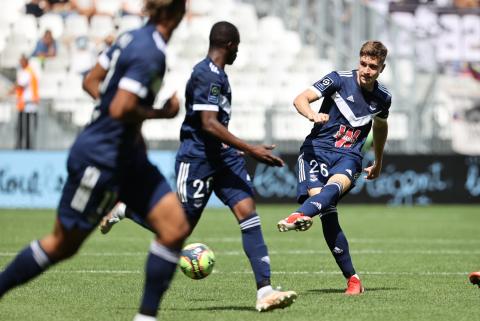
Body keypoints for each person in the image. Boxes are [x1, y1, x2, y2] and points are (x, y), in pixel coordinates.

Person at [0, 2, 189, 321]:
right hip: (100, 159)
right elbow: (119, 108)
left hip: (128, 156)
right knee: (62, 244)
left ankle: (146, 317)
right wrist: (161, 113)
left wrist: (119, 118)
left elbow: (91, 81)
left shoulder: (130, 38)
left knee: (175, 227)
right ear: (179, 14)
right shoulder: (149, 52)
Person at [100, 21, 298, 312]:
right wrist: (251, 148)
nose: (238, 54)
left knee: (248, 214)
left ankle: (264, 291)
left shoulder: (219, 75)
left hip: (224, 158)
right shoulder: (205, 75)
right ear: (229, 45)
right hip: (197, 161)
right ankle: (124, 208)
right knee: (178, 228)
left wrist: (237, 149)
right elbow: (207, 124)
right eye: (237, 48)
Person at [277, 41, 391, 295]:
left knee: (334, 189)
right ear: (358, 60)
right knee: (327, 211)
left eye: (373, 66)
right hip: (316, 152)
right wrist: (312, 115)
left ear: (381, 68)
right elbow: (300, 99)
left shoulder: (383, 98)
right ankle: (353, 279)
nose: (366, 70)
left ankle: (300, 213)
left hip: (349, 156)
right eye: (363, 63)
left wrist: (379, 161)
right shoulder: (337, 80)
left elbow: (381, 126)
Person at [11, 54, 40, 149]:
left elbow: (20, 85)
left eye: (21, 61)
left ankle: (24, 147)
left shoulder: (27, 72)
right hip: (26, 105)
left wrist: (9, 91)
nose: (20, 62)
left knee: (24, 128)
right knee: (23, 128)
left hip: (27, 105)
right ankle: (23, 145)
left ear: (25, 62)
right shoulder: (27, 72)